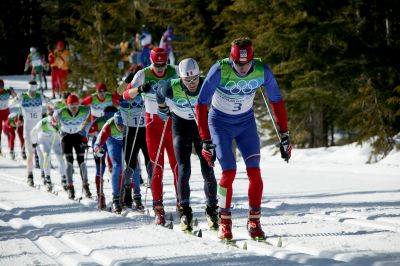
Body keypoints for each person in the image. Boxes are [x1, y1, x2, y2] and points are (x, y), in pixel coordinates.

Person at [195, 37, 292, 241]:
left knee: (255, 172)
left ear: (252, 59)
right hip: (219, 124)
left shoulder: (261, 70)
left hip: (245, 124)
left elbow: (276, 101)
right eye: (238, 64)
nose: (242, 68)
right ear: (231, 60)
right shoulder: (219, 70)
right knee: (229, 172)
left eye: (246, 63)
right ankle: (224, 222)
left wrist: (284, 134)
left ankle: (254, 221)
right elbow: (201, 105)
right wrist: (205, 139)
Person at [157, 58, 218, 232]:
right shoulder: (171, 86)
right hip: (180, 127)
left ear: (199, 75)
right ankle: (185, 211)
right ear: (181, 78)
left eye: (195, 79)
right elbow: (159, 93)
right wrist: (162, 109)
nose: (192, 83)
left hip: (201, 128)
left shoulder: (207, 83)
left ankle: (212, 209)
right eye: (187, 80)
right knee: (184, 169)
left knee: (208, 167)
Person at [122, 47, 179, 225]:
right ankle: (158, 208)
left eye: (163, 64)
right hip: (152, 123)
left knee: (177, 165)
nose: (161, 68)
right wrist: (139, 89)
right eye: (157, 64)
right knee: (156, 167)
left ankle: (181, 204)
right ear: (151, 62)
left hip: (172, 120)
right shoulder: (143, 74)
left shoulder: (175, 71)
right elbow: (125, 94)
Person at [119, 65, 149, 212]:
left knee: (151, 164)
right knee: (130, 165)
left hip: (147, 130)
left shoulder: (147, 86)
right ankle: (127, 197)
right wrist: (128, 80)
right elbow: (118, 94)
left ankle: (156, 200)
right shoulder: (128, 90)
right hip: (131, 131)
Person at [52, 94, 92, 199]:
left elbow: (87, 122)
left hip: (78, 137)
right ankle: (70, 187)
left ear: (79, 104)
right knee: (69, 162)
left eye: (76, 105)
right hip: (66, 138)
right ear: (67, 105)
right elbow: (53, 119)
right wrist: (56, 125)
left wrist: (84, 134)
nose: (74, 108)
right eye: (71, 106)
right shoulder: (61, 112)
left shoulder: (85, 110)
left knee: (82, 161)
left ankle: (86, 186)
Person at [16, 80, 48, 186]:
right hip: (28, 129)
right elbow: (11, 103)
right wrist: (15, 97)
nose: (33, 93)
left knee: (42, 152)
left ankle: (44, 174)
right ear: (28, 88)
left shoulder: (40, 96)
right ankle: (30, 175)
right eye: (31, 90)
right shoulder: (23, 96)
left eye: (34, 90)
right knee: (30, 153)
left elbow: (51, 104)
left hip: (39, 129)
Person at [93, 111, 126, 213]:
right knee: (117, 165)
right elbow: (97, 143)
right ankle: (116, 198)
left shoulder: (129, 122)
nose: (121, 128)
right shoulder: (108, 125)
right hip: (113, 140)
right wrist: (98, 149)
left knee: (133, 166)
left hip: (125, 140)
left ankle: (132, 196)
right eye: (119, 125)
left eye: (123, 125)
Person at [31, 104, 66, 192]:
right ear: (52, 118)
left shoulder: (61, 122)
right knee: (46, 156)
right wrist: (34, 142)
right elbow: (34, 131)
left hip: (55, 139)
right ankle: (47, 178)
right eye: (55, 121)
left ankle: (63, 178)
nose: (56, 123)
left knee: (60, 156)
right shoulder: (44, 122)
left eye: (58, 121)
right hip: (43, 139)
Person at [89, 105, 118, 209]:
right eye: (107, 116)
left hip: (113, 144)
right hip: (100, 145)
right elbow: (90, 132)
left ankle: (118, 195)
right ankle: (100, 195)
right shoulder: (99, 121)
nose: (109, 119)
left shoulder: (118, 119)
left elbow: (89, 132)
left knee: (114, 167)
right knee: (100, 169)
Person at [0, 79, 17, 155]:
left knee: (11, 131)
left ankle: (11, 149)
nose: (1, 88)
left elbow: (15, 97)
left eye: (2, 86)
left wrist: (12, 91)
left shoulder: (7, 91)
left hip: (7, 113)